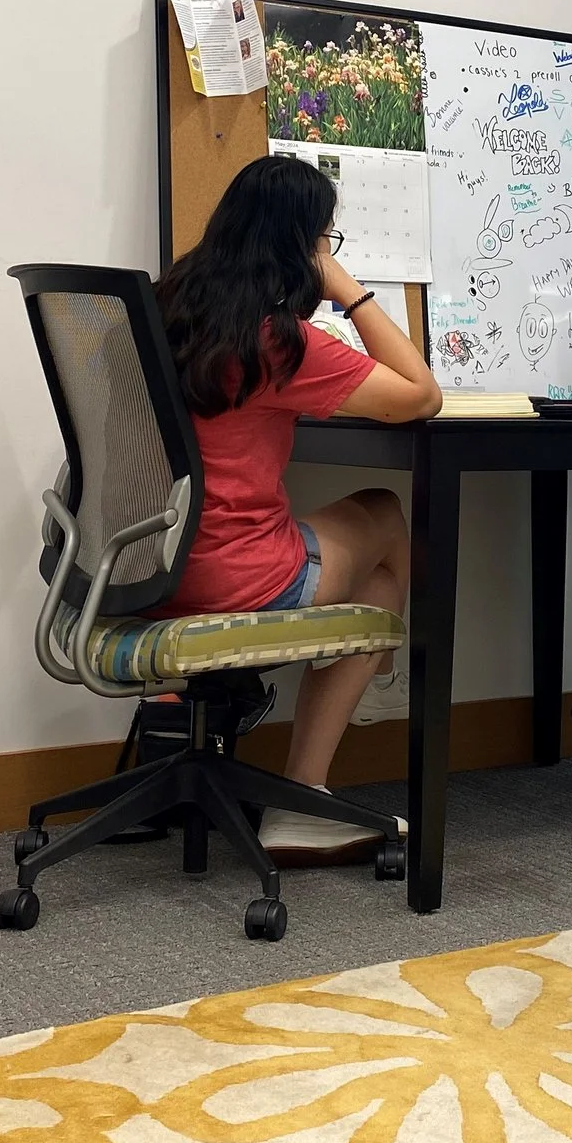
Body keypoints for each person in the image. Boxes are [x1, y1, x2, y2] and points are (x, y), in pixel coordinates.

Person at [154, 154, 441, 862]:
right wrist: (349, 290)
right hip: (236, 579)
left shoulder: (158, 312)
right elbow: (421, 395)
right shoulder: (279, 342)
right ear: (304, 246)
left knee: (379, 590)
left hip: (140, 570)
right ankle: (372, 691)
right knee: (384, 512)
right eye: (323, 241)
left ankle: (315, 780)